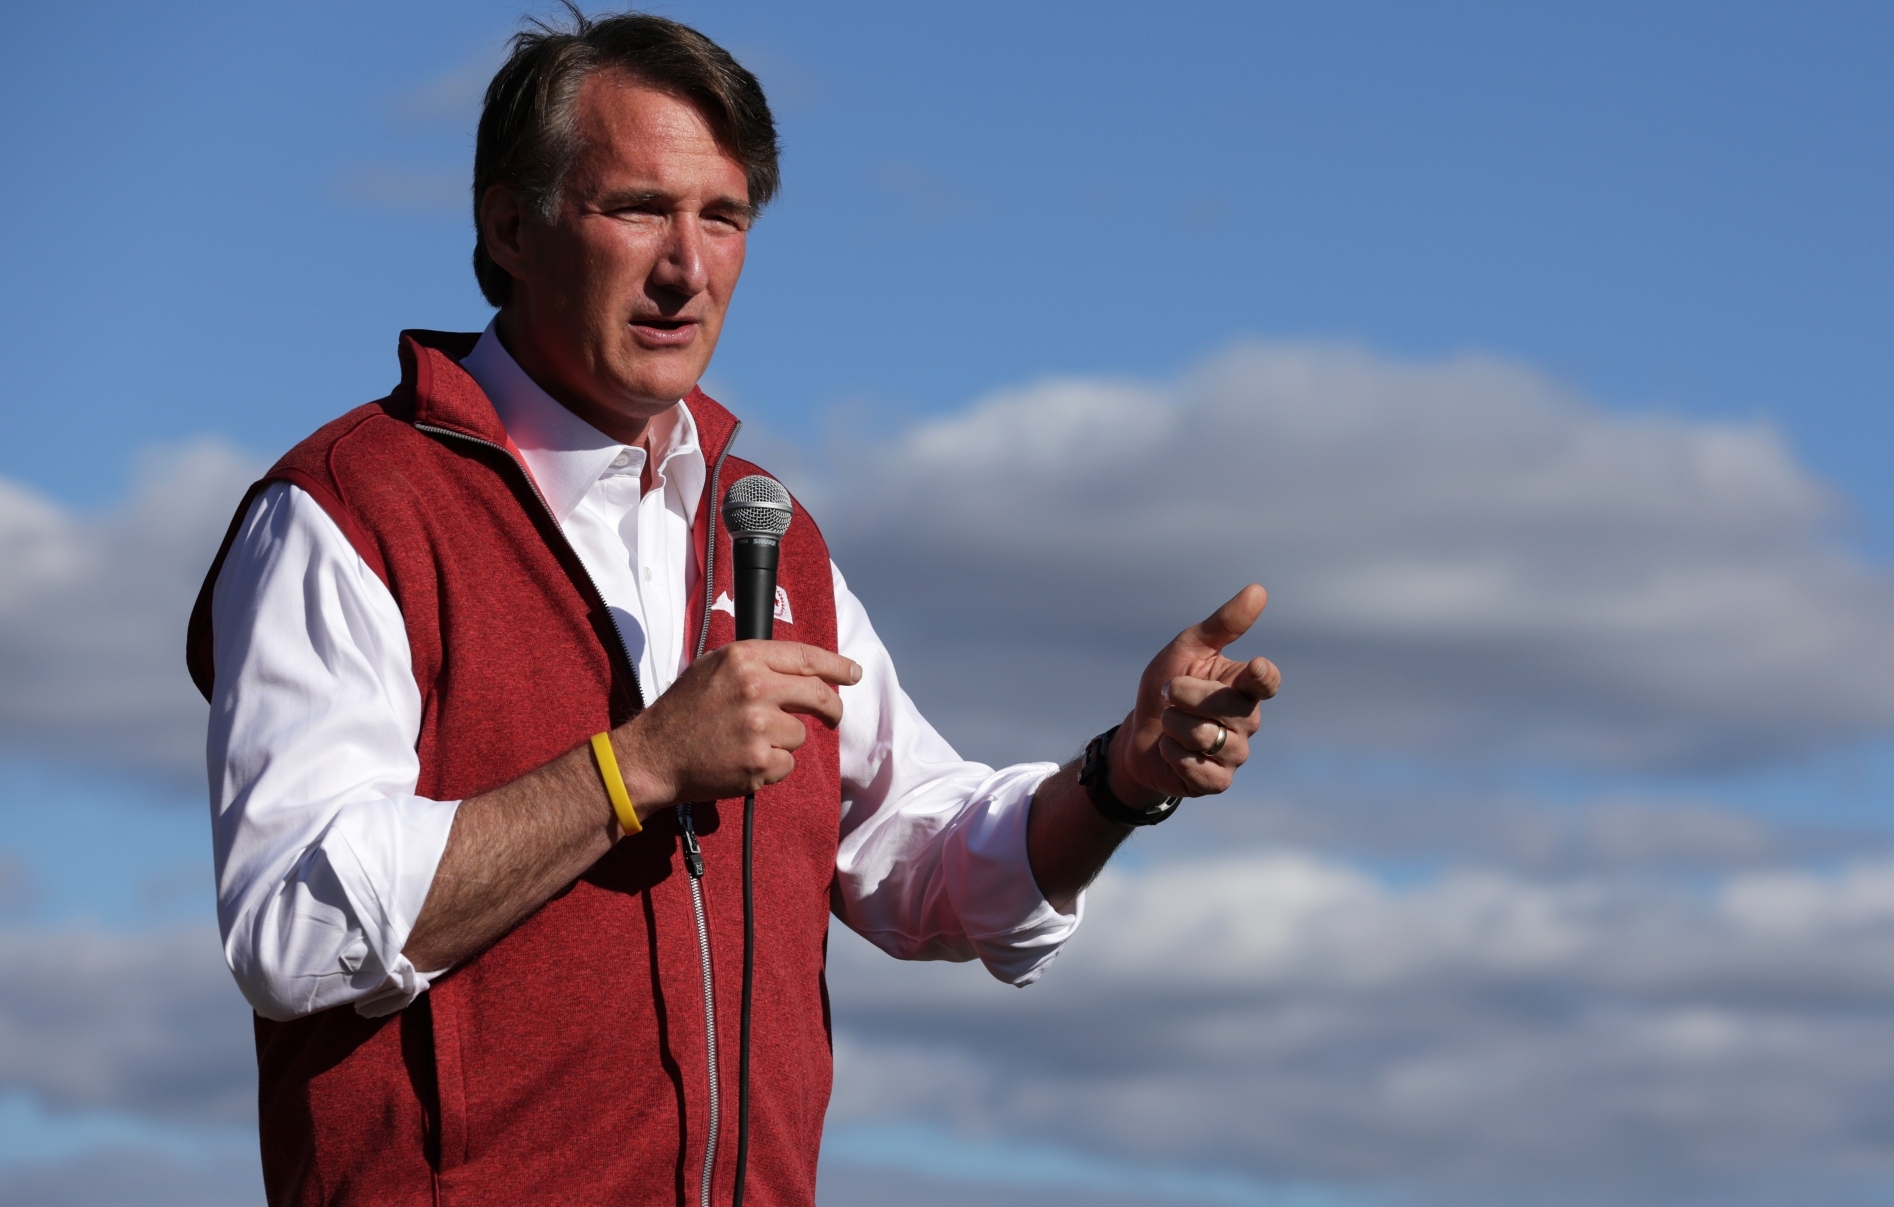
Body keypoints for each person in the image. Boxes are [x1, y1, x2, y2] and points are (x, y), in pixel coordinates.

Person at [186, 9, 1280, 1207]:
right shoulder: (353, 509)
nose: (686, 265)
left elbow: (924, 859)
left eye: (723, 218)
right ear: (509, 226)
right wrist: (635, 767)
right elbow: (292, 930)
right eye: (639, 209)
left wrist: (1122, 778)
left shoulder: (769, 530)